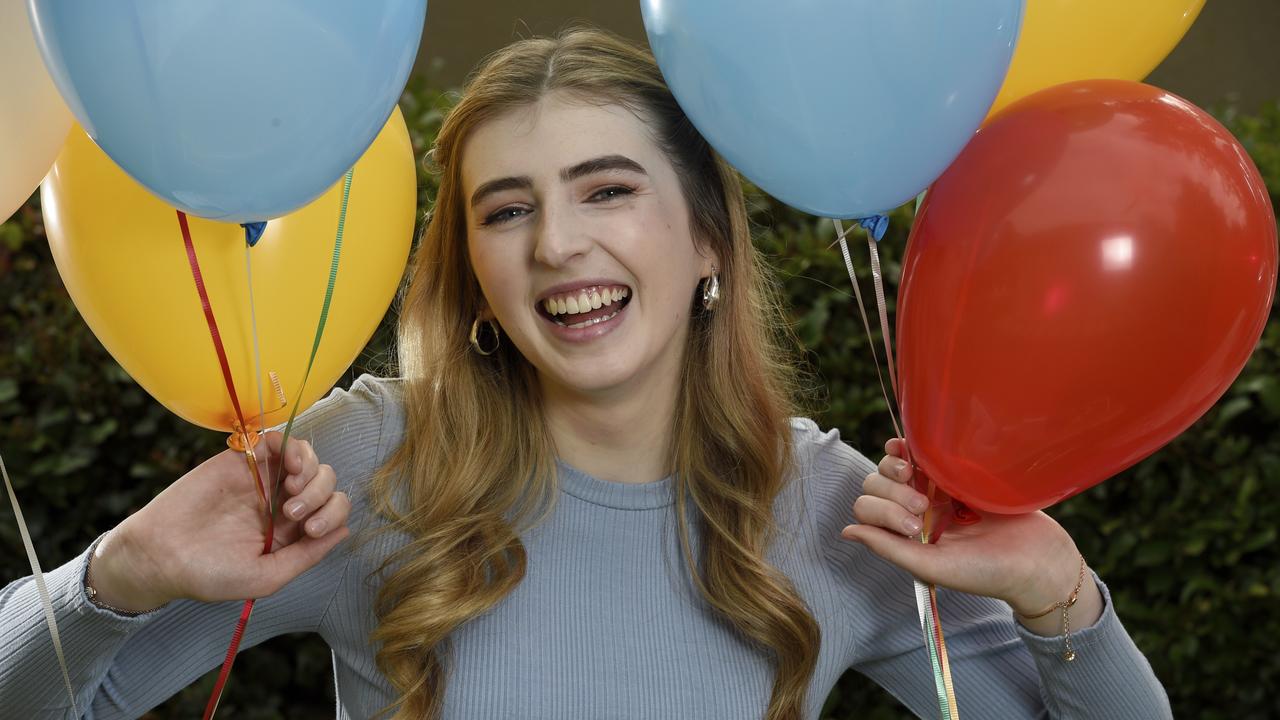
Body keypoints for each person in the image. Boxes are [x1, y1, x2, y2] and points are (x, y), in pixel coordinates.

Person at [1, 27, 1170, 720]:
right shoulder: (365, 462)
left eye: (608, 189)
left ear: (707, 239)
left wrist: (1058, 596)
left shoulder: (827, 504)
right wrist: (117, 576)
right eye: (506, 210)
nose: (558, 244)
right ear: (474, 271)